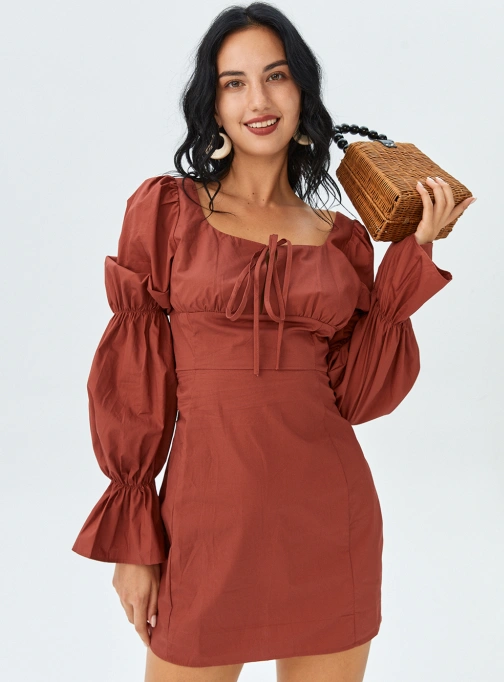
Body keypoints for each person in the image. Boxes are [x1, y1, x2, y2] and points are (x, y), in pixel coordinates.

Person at [71, 3, 475, 681]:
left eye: (276, 76)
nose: (257, 100)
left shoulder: (342, 241)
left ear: (302, 92)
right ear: (213, 105)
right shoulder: (167, 212)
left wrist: (415, 255)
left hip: (329, 522)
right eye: (234, 83)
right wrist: (135, 539)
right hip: (207, 526)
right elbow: (134, 377)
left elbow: (357, 398)